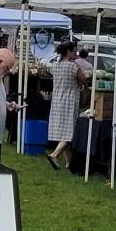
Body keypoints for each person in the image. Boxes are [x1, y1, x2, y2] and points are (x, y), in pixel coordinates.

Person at [47, 41, 87, 170]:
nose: (76, 53)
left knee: (62, 130)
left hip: (57, 99)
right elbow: (84, 79)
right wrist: (82, 84)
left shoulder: (55, 66)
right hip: (69, 100)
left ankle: (69, 162)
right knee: (70, 130)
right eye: (74, 50)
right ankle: (54, 154)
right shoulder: (73, 66)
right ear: (68, 52)